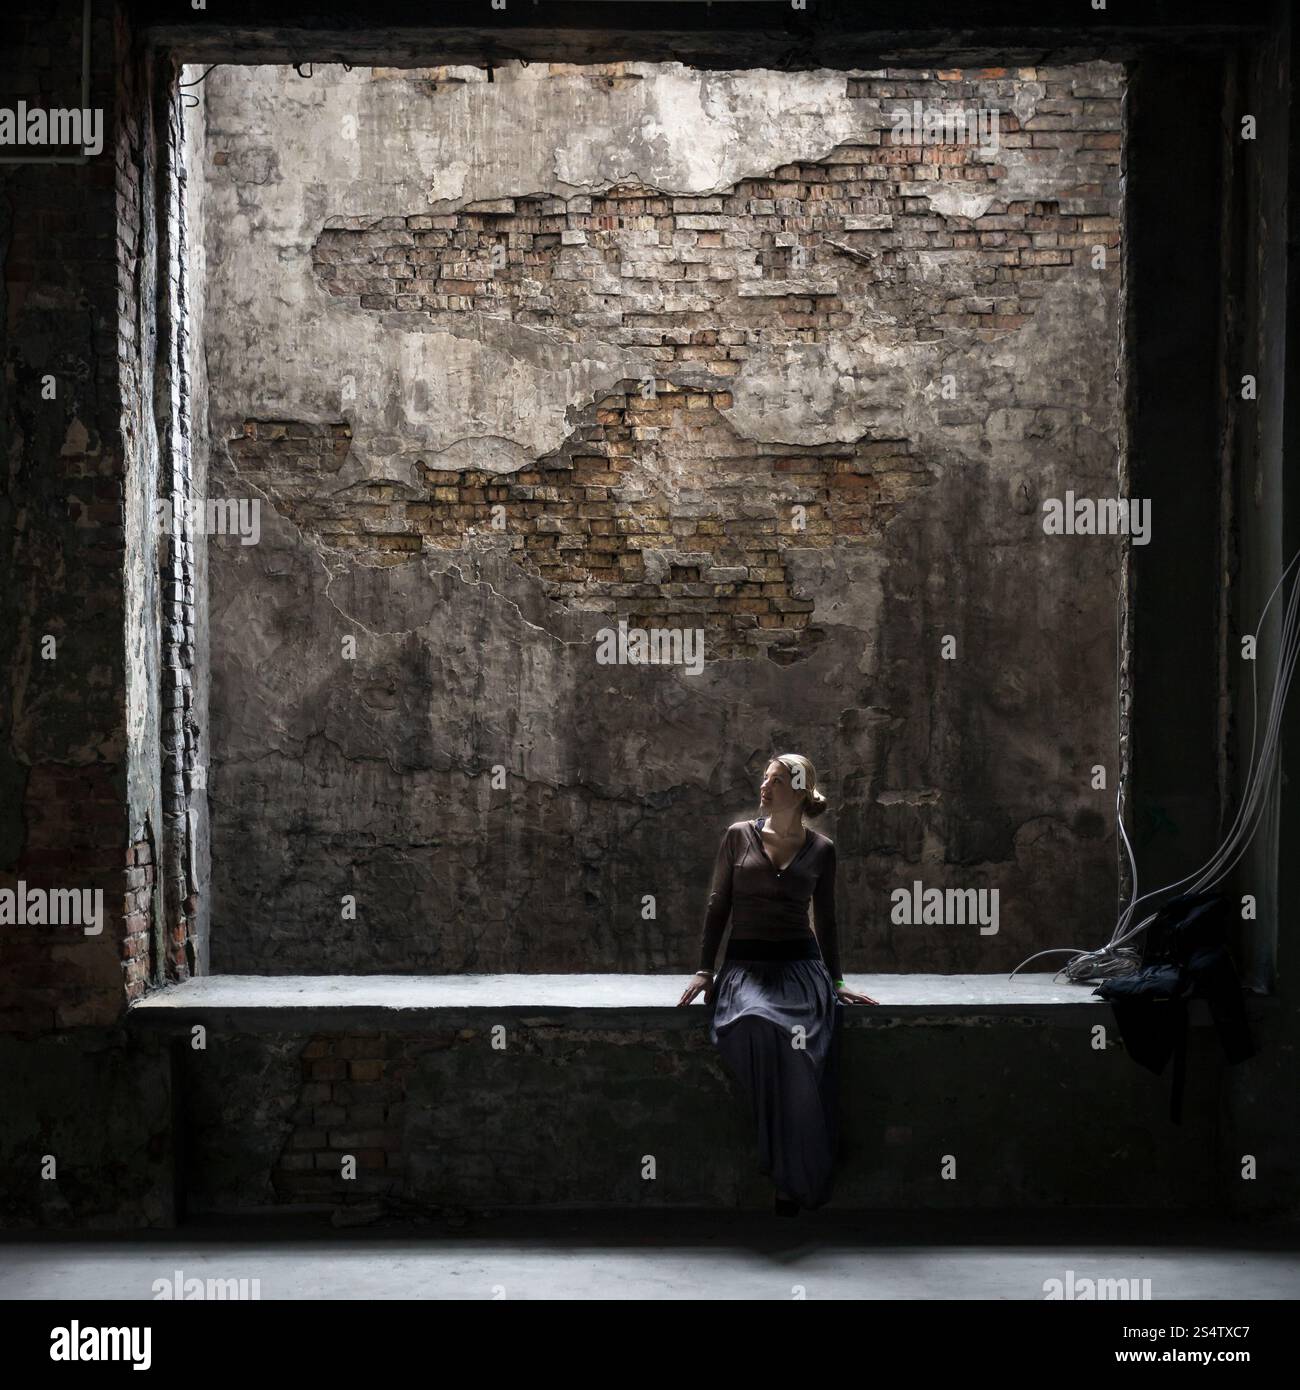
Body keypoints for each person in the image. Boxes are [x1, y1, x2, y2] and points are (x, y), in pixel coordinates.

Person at [677, 755, 877, 1214]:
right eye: (765, 778)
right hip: (747, 969)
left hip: (801, 970)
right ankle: (784, 1163)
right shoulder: (737, 837)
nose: (764, 786)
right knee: (755, 1022)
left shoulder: (822, 849)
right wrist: (705, 969)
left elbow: (825, 921)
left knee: (800, 1048)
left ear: (802, 790)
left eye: (777, 780)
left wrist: (837, 980)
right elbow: (717, 905)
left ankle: (792, 1180)